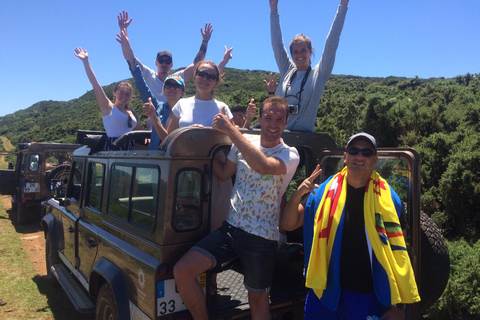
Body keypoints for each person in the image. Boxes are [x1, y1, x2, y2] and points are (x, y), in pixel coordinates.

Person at [173, 97, 300, 320]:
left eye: (279, 119)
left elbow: (263, 166)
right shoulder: (242, 142)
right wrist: (198, 145)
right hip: (230, 230)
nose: (273, 124)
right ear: (259, 119)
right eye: (268, 117)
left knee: (258, 302)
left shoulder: (290, 154)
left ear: (286, 123)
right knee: (182, 271)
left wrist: (232, 130)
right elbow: (223, 173)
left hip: (261, 238)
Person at [280, 133, 420, 319]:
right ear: (345, 157)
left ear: (375, 159)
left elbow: (399, 255)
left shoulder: (388, 200)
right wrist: (298, 194)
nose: (359, 156)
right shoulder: (322, 194)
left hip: (367, 296)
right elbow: (287, 224)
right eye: (354, 151)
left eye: (367, 152)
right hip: (323, 292)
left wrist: (397, 308)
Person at [269, 0, 349, 132]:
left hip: (302, 142)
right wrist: (273, 10)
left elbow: (332, 42)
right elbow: (276, 44)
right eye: (295, 51)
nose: (299, 54)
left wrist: (343, 6)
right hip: (276, 137)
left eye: (303, 50)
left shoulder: (319, 74)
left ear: (310, 52)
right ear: (291, 54)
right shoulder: (287, 70)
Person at [117, 11, 233, 103]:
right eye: (161, 61)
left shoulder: (177, 78)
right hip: (154, 120)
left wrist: (205, 41)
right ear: (156, 63)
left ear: (171, 65)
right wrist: (124, 31)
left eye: (167, 62)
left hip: (175, 119)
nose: (164, 64)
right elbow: (131, 59)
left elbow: (196, 65)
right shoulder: (149, 75)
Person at [74, 47, 143, 151]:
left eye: (127, 94)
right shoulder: (108, 108)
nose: (124, 96)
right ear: (114, 93)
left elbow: (138, 128)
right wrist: (86, 61)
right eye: (121, 93)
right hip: (114, 149)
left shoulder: (130, 112)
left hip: (130, 149)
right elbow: (95, 84)